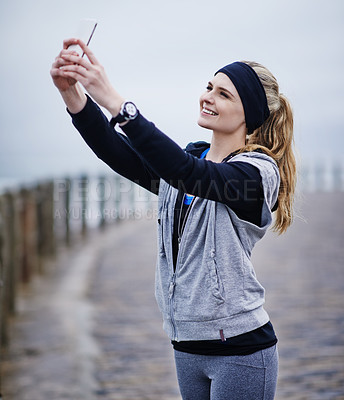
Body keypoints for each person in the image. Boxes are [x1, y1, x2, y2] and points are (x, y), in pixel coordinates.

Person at [51, 38, 296, 400]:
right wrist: (73, 94)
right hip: (186, 345)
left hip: (241, 352)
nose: (208, 96)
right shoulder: (185, 164)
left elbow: (190, 174)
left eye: (224, 94)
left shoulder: (256, 176)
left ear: (251, 114)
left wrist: (117, 103)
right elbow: (117, 151)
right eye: (209, 86)